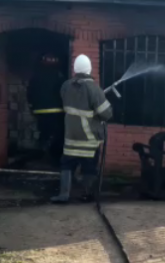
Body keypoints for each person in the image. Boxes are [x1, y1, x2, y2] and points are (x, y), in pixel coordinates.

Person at [51, 54, 113, 204]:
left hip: (70, 138)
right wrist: (99, 98)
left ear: (75, 69)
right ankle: (87, 194)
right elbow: (107, 114)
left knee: (66, 165)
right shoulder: (94, 89)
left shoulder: (65, 86)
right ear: (89, 69)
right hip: (89, 140)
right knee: (89, 168)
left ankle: (63, 195)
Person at [27, 53, 66, 165]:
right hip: (57, 111)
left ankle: (43, 151)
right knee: (57, 134)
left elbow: (30, 92)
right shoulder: (59, 76)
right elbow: (64, 91)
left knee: (45, 132)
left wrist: (32, 106)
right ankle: (53, 157)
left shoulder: (36, 76)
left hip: (39, 111)